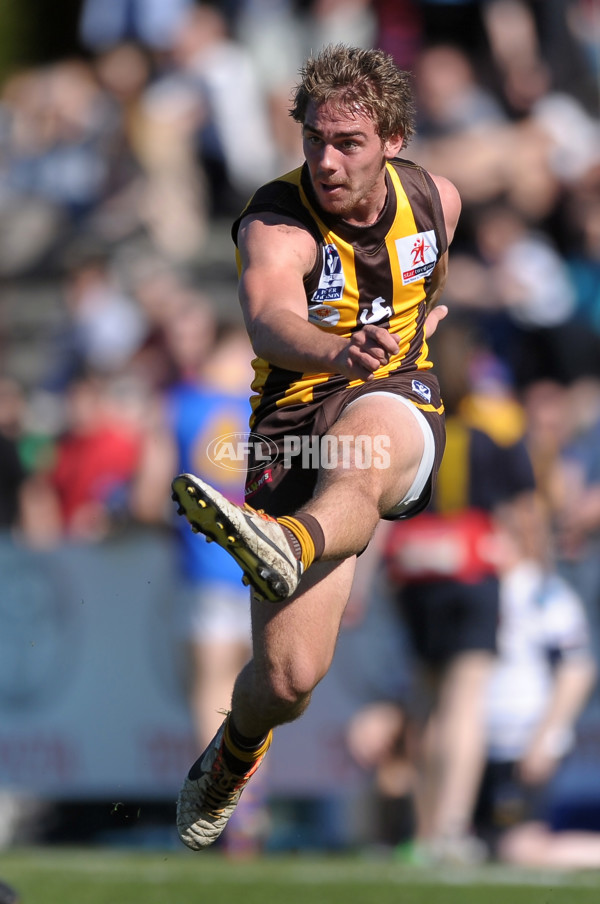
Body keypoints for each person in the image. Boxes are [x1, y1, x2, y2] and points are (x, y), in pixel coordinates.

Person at [170, 43, 461, 851]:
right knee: (290, 680)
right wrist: (337, 352)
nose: (326, 161)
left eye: (348, 143)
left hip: (394, 401)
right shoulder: (276, 218)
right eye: (313, 140)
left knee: (370, 442)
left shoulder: (440, 200)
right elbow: (267, 317)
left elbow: (428, 285)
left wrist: (417, 333)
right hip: (293, 426)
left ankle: (288, 542)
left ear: (394, 140)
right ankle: (232, 757)